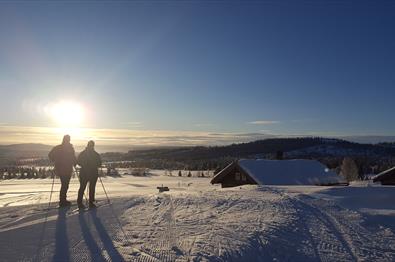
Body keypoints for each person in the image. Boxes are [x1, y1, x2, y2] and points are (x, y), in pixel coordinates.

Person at [48, 135, 77, 207]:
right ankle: (62, 201)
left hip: (60, 169)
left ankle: (63, 200)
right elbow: (73, 157)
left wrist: (54, 160)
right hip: (66, 169)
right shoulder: (70, 148)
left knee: (65, 185)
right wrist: (75, 163)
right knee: (65, 185)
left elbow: (50, 155)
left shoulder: (58, 147)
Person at [77, 140, 102, 209]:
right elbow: (99, 164)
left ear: (87, 145)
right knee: (92, 188)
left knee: (82, 187)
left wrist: (84, 164)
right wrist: (94, 165)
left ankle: (79, 202)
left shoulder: (82, 153)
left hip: (83, 173)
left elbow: (78, 162)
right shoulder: (96, 154)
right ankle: (91, 203)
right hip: (93, 173)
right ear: (93, 146)